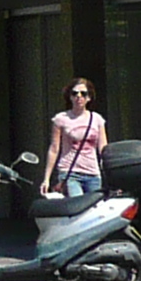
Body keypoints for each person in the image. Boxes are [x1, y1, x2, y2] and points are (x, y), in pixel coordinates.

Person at [39, 78, 107, 209]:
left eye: (83, 94)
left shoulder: (97, 119)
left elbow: (103, 148)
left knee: (95, 211)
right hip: (70, 172)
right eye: (74, 93)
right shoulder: (61, 119)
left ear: (89, 98)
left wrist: (109, 174)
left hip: (93, 173)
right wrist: (46, 178)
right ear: (69, 97)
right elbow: (54, 149)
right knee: (78, 208)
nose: (79, 97)